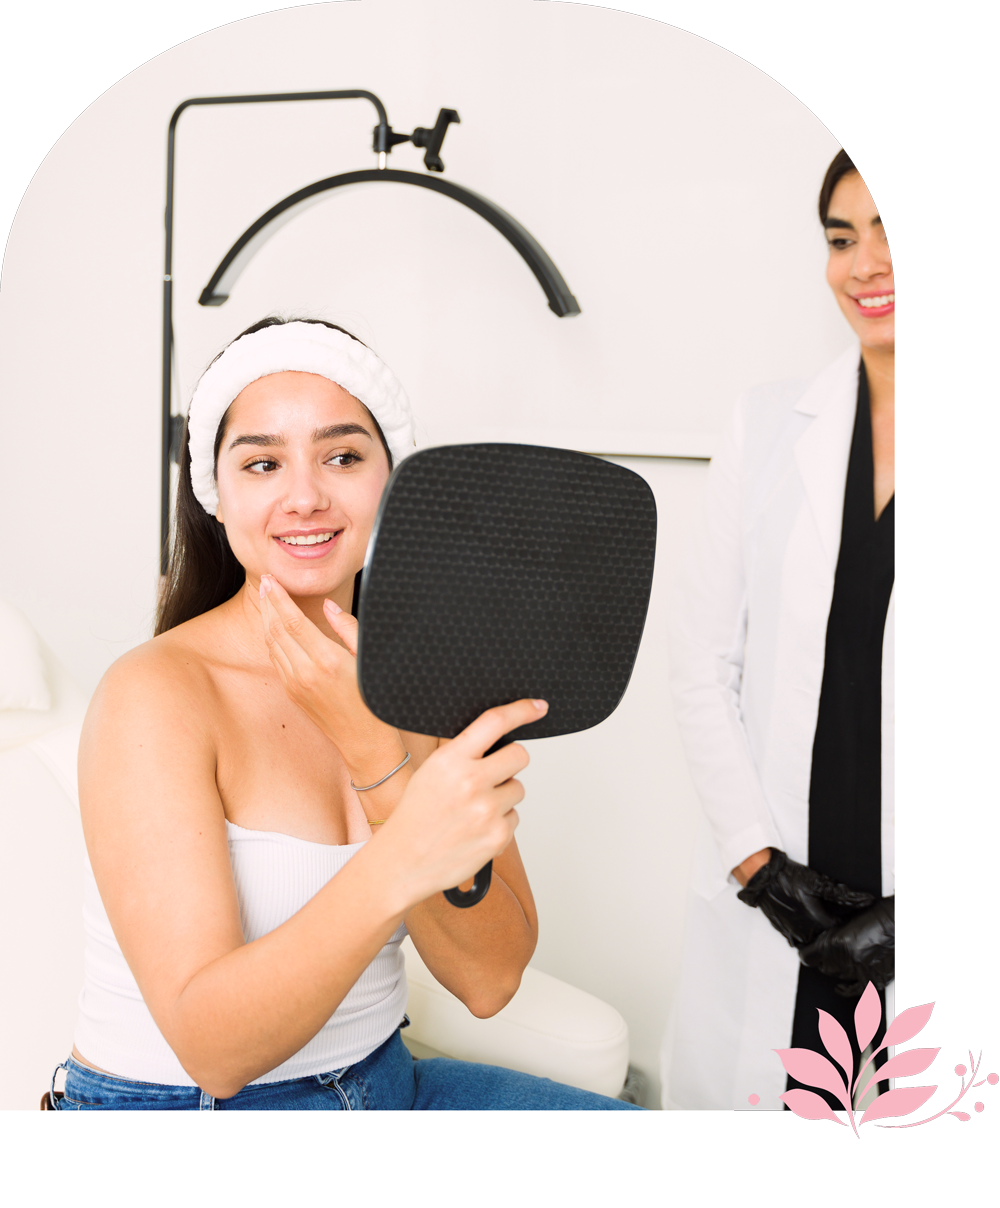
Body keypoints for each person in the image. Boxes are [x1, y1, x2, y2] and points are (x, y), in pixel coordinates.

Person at [49, 316, 641, 1112]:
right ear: (216, 496)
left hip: (384, 1083)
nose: (305, 496)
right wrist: (401, 828)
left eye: (342, 456)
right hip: (189, 1118)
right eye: (262, 463)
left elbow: (489, 978)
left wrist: (375, 748)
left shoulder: (427, 683)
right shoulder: (155, 696)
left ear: (391, 484)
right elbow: (214, 1051)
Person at [660, 150, 895, 1114]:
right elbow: (700, 664)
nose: (865, 266)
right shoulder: (765, 428)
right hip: (783, 897)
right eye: (842, 239)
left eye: (897, 237)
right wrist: (761, 871)